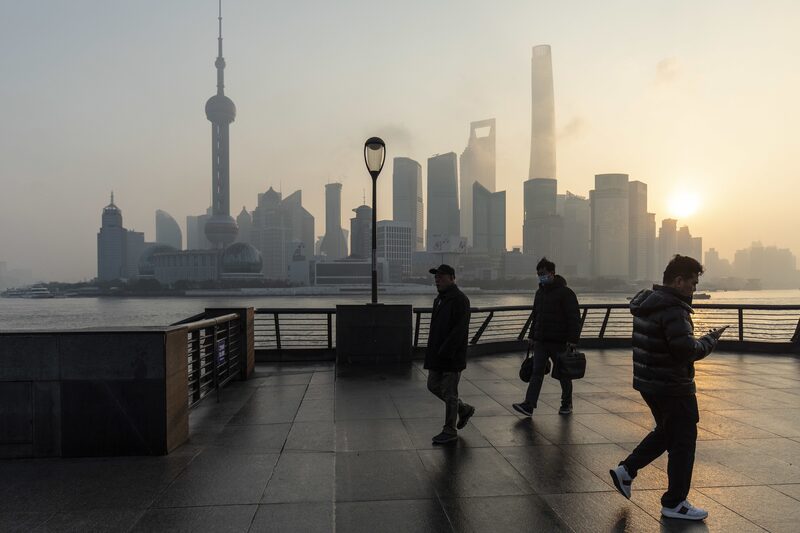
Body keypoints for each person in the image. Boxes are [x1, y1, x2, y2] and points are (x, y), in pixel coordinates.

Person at [609, 255, 727, 521]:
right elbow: (685, 350)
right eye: (693, 284)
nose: (694, 290)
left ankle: (627, 470)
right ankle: (675, 503)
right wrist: (709, 341)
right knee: (683, 442)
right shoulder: (674, 309)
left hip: (649, 382)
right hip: (673, 385)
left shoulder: (647, 303)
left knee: (667, 431)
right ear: (678, 281)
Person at [512, 257, 581, 418]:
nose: (541, 277)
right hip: (541, 342)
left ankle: (566, 403)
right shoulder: (539, 293)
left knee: (563, 374)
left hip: (560, 342)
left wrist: (573, 340)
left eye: (543, 273)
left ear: (552, 273)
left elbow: (574, 318)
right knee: (536, 373)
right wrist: (531, 336)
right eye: (538, 274)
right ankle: (529, 405)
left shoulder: (566, 293)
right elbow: (535, 316)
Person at [424, 264, 475, 444]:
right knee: (432, 385)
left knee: (450, 392)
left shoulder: (460, 300)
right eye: (436, 276)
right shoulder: (439, 300)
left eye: (441, 276)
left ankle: (449, 430)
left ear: (452, 278)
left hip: (452, 356)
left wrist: (446, 351)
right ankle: (463, 409)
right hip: (437, 354)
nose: (437, 279)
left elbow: (459, 331)